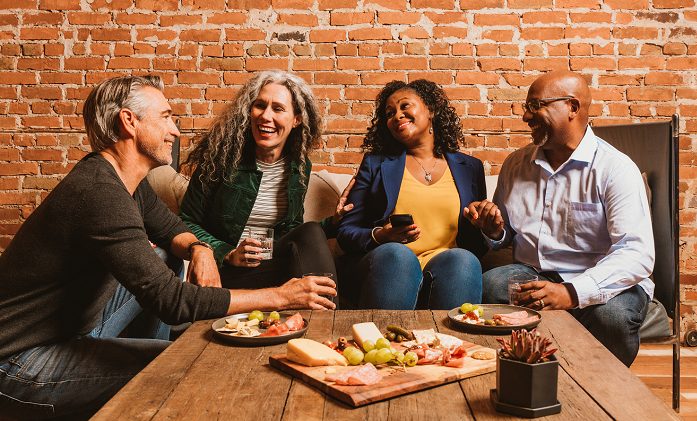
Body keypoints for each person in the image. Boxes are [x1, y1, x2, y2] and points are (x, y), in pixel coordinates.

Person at [0, 76, 337, 419]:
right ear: (129, 122)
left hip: (69, 332)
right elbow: (172, 302)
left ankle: (153, 374)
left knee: (167, 255)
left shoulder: (126, 181)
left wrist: (201, 250)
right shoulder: (100, 192)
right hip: (17, 363)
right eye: (166, 117)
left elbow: (172, 229)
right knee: (183, 368)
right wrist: (282, 296)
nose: (175, 131)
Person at [465, 71, 655, 366]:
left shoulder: (614, 169)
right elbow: (508, 235)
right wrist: (495, 231)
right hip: (536, 274)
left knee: (612, 318)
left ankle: (599, 390)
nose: (526, 116)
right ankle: (523, 370)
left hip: (603, 280)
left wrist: (572, 292)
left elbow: (637, 254)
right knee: (489, 286)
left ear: (573, 108)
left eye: (535, 105)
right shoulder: (516, 164)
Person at [180, 70, 352, 291]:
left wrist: (335, 222)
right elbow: (186, 221)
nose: (265, 116)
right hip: (226, 271)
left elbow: (292, 230)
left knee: (311, 232)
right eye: (260, 105)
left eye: (278, 108)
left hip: (272, 268)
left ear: (297, 120)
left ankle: (324, 322)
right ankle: (326, 321)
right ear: (249, 111)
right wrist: (228, 252)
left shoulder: (298, 167)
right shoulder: (219, 159)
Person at [337, 79, 485, 309]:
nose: (397, 116)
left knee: (464, 259)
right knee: (399, 256)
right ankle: (383, 342)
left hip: (446, 268)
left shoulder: (470, 168)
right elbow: (346, 232)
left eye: (405, 106)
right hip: (389, 264)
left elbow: (476, 243)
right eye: (389, 113)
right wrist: (381, 236)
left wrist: (488, 227)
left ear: (431, 110)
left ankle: (452, 345)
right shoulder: (375, 164)